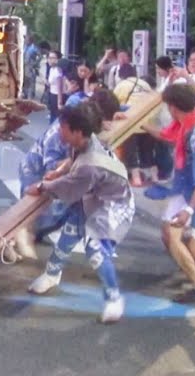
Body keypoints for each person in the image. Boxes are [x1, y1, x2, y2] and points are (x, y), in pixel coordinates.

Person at [24, 101, 135, 323]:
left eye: (63, 127)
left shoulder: (90, 165)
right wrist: (58, 172)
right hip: (93, 194)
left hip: (113, 203)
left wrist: (41, 186)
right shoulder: (83, 142)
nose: (59, 130)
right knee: (67, 236)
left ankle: (113, 299)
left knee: (95, 250)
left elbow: (68, 186)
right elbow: (71, 164)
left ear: (77, 131)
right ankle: (52, 275)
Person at [147, 83, 195, 303]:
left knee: (192, 251)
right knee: (169, 235)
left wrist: (189, 210)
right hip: (185, 188)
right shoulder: (183, 124)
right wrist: (139, 125)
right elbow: (164, 136)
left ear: (173, 108)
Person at [45, 50, 63, 122]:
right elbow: (49, 83)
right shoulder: (51, 69)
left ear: (57, 59)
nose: (50, 60)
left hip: (57, 96)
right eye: (49, 57)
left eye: (53, 58)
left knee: (55, 119)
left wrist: (59, 103)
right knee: (52, 116)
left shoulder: (58, 70)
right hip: (52, 95)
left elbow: (60, 87)